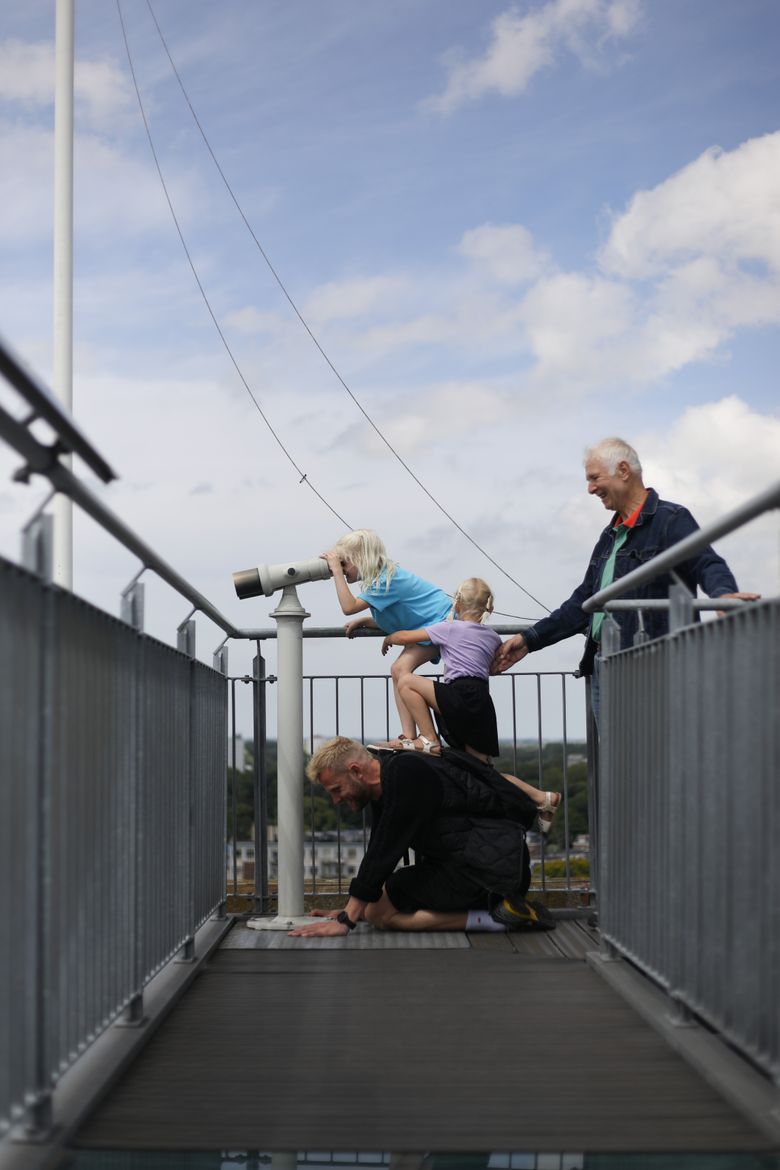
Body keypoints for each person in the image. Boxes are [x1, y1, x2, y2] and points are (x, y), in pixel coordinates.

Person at [492, 437, 760, 721]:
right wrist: (529, 640)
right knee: (615, 752)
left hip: (654, 665)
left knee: (655, 747)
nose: (590, 488)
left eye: (594, 478)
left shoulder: (671, 519)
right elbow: (582, 603)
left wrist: (723, 595)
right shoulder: (609, 536)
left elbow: (706, 562)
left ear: (623, 470)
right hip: (605, 665)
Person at [289, 736, 556, 939]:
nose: (335, 800)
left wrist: (346, 921)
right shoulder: (391, 777)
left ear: (356, 771)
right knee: (372, 909)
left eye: (336, 789)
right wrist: (349, 910)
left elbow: (385, 850)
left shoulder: (406, 775)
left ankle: (494, 919)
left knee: (378, 914)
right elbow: (377, 850)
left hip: (488, 873)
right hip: (478, 862)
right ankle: (501, 911)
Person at [379, 576, 561, 831]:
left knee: (407, 681)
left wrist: (390, 637)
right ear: (489, 608)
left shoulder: (448, 628)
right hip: (482, 704)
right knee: (482, 772)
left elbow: (407, 636)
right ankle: (542, 798)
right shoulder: (492, 637)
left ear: (456, 604)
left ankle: (428, 739)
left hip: (460, 695)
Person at [321, 529, 452, 747]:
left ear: (361, 559)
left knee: (399, 669)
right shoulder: (385, 577)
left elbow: (348, 607)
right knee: (397, 670)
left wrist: (335, 571)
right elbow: (401, 615)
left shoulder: (386, 581)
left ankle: (428, 739)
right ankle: (408, 736)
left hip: (439, 624)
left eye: (345, 563)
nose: (342, 569)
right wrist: (366, 621)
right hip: (431, 623)